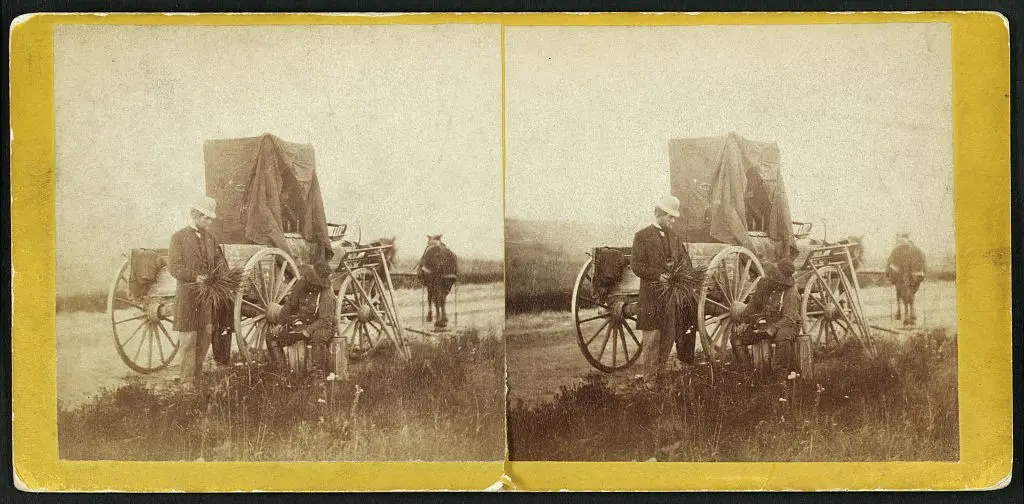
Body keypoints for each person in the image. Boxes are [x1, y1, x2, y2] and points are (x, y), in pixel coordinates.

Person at [631, 195, 697, 381]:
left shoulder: (674, 237)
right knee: (652, 339)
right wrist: (658, 276)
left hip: (670, 299)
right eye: (670, 217)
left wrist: (684, 276)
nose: (672, 220)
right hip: (651, 298)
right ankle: (650, 381)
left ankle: (658, 377)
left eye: (674, 218)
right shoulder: (642, 236)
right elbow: (637, 265)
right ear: (658, 214)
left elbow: (685, 261)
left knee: (668, 337)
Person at [168, 196, 229, 389]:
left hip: (206, 300)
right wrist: (195, 277)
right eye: (206, 218)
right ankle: (186, 382)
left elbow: (219, 263)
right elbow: (174, 267)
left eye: (210, 218)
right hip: (187, 298)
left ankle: (197, 377)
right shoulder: (178, 238)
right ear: (195, 215)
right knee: (188, 341)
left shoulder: (211, 239)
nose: (209, 222)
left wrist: (222, 278)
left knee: (204, 339)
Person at [731, 260, 801, 373]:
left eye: (777, 281)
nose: (773, 282)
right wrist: (744, 322)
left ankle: (781, 375)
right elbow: (754, 304)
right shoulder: (765, 285)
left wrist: (773, 328)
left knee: (782, 337)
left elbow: (789, 318)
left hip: (788, 324)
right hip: (766, 322)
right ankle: (747, 373)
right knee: (736, 337)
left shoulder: (791, 293)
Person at [272, 261, 336, 373]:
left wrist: (308, 330)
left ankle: (317, 375)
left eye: (315, 283)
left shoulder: (326, 294)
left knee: (318, 337)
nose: (312, 286)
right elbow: (290, 304)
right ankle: (282, 372)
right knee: (272, 336)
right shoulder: (301, 284)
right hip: (302, 324)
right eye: (311, 282)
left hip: (323, 327)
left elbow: (325, 320)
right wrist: (280, 323)